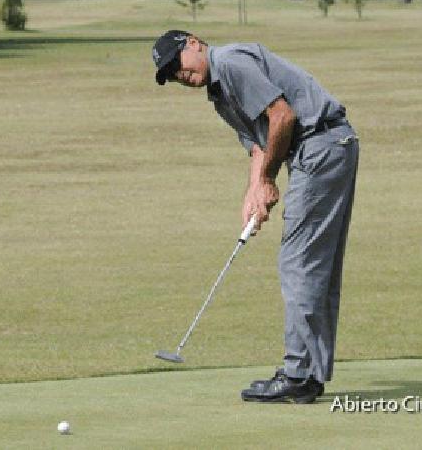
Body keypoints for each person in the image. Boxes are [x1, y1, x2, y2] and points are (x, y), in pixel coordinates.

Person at [151, 30, 359, 404]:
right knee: (314, 267)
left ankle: (297, 374)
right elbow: (261, 143)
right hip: (325, 148)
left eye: (176, 64)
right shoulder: (218, 95)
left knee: (298, 263)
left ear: (194, 43)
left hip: (320, 145)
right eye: (170, 76)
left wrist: (266, 180)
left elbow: (282, 115)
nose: (179, 76)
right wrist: (253, 192)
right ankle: (310, 374)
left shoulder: (228, 63)